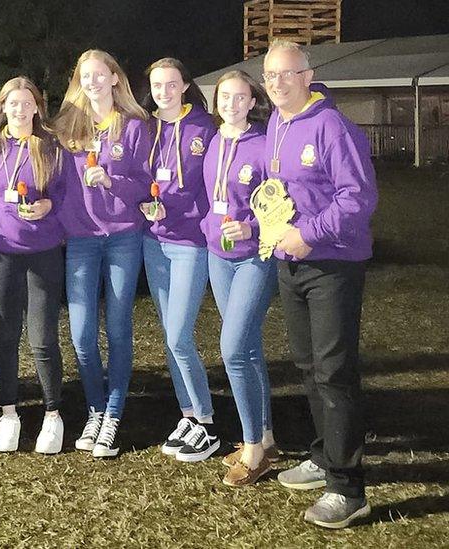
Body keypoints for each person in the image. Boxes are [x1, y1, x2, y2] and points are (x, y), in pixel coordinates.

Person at [262, 39, 377, 529]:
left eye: (286, 74)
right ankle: (324, 455)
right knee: (308, 367)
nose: (277, 83)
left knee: (334, 372)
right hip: (290, 263)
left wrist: (308, 233)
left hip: (332, 265)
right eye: (269, 76)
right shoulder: (276, 123)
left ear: (308, 76)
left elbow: (359, 197)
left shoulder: (331, 125)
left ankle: (348, 489)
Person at [51, 50, 151, 458]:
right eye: (84, 75)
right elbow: (51, 180)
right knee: (82, 334)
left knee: (118, 327)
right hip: (81, 239)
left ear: (114, 78)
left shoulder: (134, 126)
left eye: (99, 74)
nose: (92, 81)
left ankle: (112, 414)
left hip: (124, 237)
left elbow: (145, 182)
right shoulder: (67, 127)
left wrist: (112, 180)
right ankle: (94, 408)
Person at [139, 57, 221, 463]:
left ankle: (207, 424)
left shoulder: (204, 127)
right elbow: (138, 177)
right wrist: (143, 204)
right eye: (157, 85)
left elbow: (217, 180)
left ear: (186, 85)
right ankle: (187, 415)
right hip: (154, 242)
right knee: (172, 340)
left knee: (179, 336)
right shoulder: (146, 127)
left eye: (171, 84)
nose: (164, 92)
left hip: (191, 243)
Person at [200, 70, 279, 486]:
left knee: (232, 349)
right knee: (248, 348)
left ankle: (252, 450)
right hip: (218, 254)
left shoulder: (264, 144)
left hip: (254, 257)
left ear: (252, 101)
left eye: (239, 97)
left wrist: (250, 226)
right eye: (224, 97)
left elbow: (282, 201)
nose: (231, 104)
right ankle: (265, 436)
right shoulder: (214, 142)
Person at [0, 77, 67, 455]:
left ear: (37, 107)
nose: (19, 109)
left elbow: (67, 193)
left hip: (43, 250)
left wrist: (49, 205)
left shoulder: (51, 146)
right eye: (11, 103)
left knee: (42, 337)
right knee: (5, 335)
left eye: (26, 103)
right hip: (1, 251)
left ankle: (52, 413)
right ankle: (9, 413)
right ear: (2, 107)